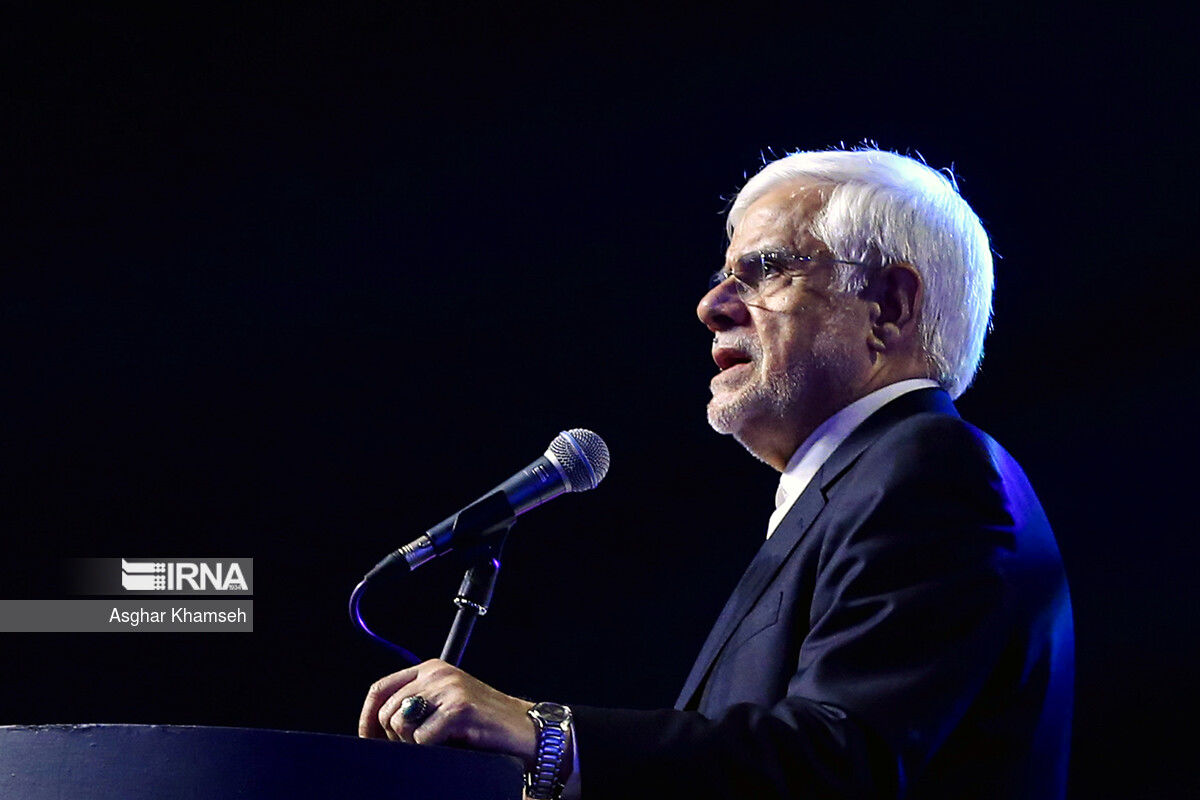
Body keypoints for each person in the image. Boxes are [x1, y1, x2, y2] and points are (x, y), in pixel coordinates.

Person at [358, 148, 1074, 799]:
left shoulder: (930, 469)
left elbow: (838, 761)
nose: (712, 307)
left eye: (766, 270)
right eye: (722, 278)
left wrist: (546, 736)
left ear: (888, 307)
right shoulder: (857, 487)